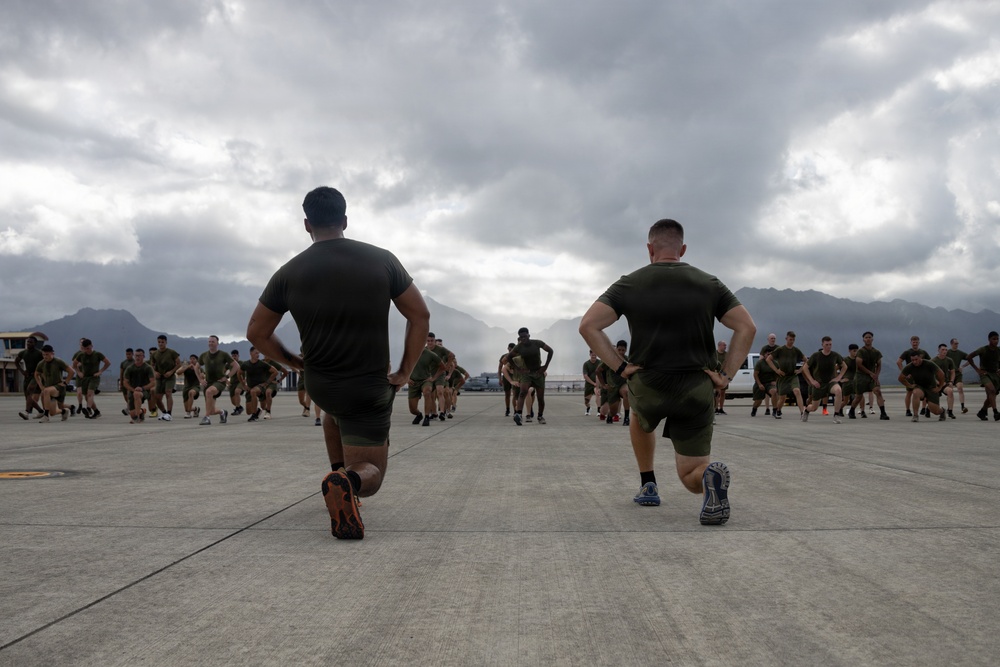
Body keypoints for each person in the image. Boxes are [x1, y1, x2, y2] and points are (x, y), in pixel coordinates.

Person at [247, 186, 430, 540]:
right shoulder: (383, 260)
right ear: (345, 220)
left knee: (334, 413)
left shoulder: (288, 272)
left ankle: (338, 475)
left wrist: (294, 362)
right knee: (372, 472)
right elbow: (420, 315)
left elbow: (256, 332)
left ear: (306, 225)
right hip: (368, 388)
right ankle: (350, 481)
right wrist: (405, 371)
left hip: (322, 386)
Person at [579, 218, 755, 525]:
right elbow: (746, 327)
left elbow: (589, 326)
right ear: (682, 249)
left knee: (638, 417)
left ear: (650, 249)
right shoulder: (709, 283)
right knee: (689, 472)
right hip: (695, 388)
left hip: (649, 384)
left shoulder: (629, 283)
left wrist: (621, 366)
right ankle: (706, 478)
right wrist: (724, 376)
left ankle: (648, 483)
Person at [509, 327, 553, 425]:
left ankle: (540, 416)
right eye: (521, 337)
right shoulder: (519, 347)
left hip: (538, 373)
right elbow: (509, 357)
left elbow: (550, 351)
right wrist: (518, 369)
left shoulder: (537, 343)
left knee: (540, 398)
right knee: (523, 392)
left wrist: (545, 366)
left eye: (525, 336)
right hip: (527, 373)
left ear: (529, 335)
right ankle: (519, 415)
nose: (523, 339)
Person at [801, 337, 846, 423]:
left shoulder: (835, 355)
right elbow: (805, 368)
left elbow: (844, 366)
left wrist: (839, 377)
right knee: (814, 407)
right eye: (826, 345)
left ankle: (836, 415)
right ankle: (806, 411)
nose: (829, 346)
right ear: (822, 345)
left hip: (830, 382)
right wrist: (812, 380)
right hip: (819, 384)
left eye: (830, 344)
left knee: (838, 391)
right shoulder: (816, 356)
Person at [196, 335, 238, 425]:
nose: (210, 343)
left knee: (209, 392)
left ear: (217, 343)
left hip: (219, 382)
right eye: (209, 342)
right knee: (211, 410)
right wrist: (200, 380)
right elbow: (196, 367)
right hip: (207, 383)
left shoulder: (223, 354)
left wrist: (227, 377)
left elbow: (236, 366)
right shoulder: (204, 355)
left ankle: (206, 418)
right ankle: (222, 412)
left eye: (213, 342)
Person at [767, 332, 807, 419]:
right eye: (790, 339)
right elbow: (768, 359)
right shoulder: (780, 349)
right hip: (783, 376)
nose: (791, 341)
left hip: (793, 375)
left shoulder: (796, 350)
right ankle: (777, 410)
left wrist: (800, 370)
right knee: (782, 398)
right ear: (786, 339)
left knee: (797, 391)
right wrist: (776, 370)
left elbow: (806, 360)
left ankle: (802, 413)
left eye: (793, 340)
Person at [898, 351, 946, 422]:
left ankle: (942, 411)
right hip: (919, 387)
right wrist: (909, 385)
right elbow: (901, 378)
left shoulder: (929, 364)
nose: (914, 362)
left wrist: (940, 387)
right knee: (915, 392)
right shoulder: (910, 366)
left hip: (931, 387)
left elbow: (941, 374)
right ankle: (915, 415)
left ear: (920, 357)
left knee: (935, 410)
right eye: (912, 360)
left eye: (916, 359)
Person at [852, 331, 889, 420]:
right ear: (863, 340)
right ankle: (851, 411)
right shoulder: (861, 351)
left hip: (872, 377)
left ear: (872, 339)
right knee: (858, 397)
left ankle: (883, 413)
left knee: (878, 392)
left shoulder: (876, 352)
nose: (868, 339)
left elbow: (879, 364)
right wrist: (871, 373)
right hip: (861, 377)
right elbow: (859, 365)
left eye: (869, 337)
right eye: (866, 337)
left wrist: (876, 375)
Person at [33, 344, 75, 422]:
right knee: (53, 412)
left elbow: (71, 372)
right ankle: (64, 411)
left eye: (47, 354)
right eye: (43, 355)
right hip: (49, 389)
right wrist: (40, 385)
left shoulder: (58, 361)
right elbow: (36, 374)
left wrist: (66, 383)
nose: (45, 356)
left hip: (59, 387)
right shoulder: (41, 363)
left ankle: (45, 416)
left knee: (46, 391)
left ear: (52, 353)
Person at [72, 338, 111, 419]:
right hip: (85, 378)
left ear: (92, 346)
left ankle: (88, 409)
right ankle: (96, 412)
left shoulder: (97, 354)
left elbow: (107, 363)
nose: (88, 350)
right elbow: (74, 364)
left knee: (90, 393)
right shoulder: (81, 355)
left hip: (94, 377)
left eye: (89, 348)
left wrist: (100, 371)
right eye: (86, 349)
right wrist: (78, 372)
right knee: (87, 397)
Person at [965, 331, 1000, 421]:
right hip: (985, 374)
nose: (996, 341)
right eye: (994, 339)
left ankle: (982, 412)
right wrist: (977, 369)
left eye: (997, 339)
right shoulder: (983, 349)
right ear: (989, 340)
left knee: (991, 396)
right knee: (992, 390)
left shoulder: (998, 350)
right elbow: (969, 357)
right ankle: (996, 412)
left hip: (995, 375)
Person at [896, 336, 930, 417]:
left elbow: (930, 362)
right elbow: (899, 362)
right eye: (913, 342)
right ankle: (908, 410)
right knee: (909, 392)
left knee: (924, 392)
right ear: (911, 343)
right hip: (911, 376)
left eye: (916, 342)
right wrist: (904, 372)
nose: (915, 343)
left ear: (919, 342)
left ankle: (923, 408)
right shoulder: (907, 352)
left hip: (922, 375)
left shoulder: (923, 352)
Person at [150, 335, 182, 421]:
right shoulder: (155, 354)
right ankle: (164, 412)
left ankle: (169, 413)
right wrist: (155, 372)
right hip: (159, 377)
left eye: (162, 342)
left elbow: (179, 363)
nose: (161, 344)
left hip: (170, 377)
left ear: (166, 342)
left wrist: (171, 371)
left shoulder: (172, 352)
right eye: (159, 342)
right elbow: (152, 365)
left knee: (168, 392)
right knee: (157, 397)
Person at [122, 347, 156, 424]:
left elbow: (153, 382)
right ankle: (141, 412)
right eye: (136, 355)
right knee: (132, 413)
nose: (137, 357)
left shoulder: (148, 368)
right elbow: (125, 383)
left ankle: (137, 418)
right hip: (133, 391)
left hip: (144, 391)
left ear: (143, 356)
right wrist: (133, 389)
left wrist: (142, 388)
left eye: (139, 355)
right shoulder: (130, 368)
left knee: (137, 394)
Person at [15, 336, 45, 420]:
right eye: (28, 342)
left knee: (29, 389)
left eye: (31, 342)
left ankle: (27, 412)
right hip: (27, 375)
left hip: (36, 375)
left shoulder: (39, 353)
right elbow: (16, 362)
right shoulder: (23, 353)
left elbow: (45, 363)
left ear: (35, 343)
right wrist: (22, 371)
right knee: (28, 397)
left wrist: (41, 373)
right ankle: (41, 411)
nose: (28, 344)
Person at [931, 343, 957, 419]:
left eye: (946, 350)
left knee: (950, 391)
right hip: (935, 383)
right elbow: (929, 373)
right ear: (938, 350)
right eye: (942, 350)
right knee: (932, 399)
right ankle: (928, 409)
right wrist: (936, 381)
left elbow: (952, 371)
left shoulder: (949, 360)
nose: (944, 351)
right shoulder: (933, 361)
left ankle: (950, 411)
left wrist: (951, 381)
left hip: (945, 383)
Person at [947, 338, 969, 413]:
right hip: (949, 374)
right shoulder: (947, 352)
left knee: (960, 388)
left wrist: (962, 366)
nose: (957, 345)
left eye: (957, 343)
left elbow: (970, 358)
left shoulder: (960, 353)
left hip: (958, 373)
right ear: (951, 344)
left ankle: (963, 407)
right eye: (955, 343)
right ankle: (949, 408)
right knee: (950, 391)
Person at [178, 355, 202, 419]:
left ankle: (188, 413)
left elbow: (202, 377)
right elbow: (178, 372)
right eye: (191, 359)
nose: (192, 360)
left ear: (197, 360)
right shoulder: (185, 367)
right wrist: (187, 367)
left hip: (195, 387)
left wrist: (195, 368)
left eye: (194, 359)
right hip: (186, 387)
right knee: (187, 408)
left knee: (191, 393)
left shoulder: (199, 367)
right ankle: (195, 409)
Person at [498, 344, 516, 417]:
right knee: (507, 394)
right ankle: (507, 409)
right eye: (509, 349)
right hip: (506, 376)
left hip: (515, 376)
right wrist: (500, 379)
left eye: (511, 349)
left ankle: (516, 410)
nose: (510, 350)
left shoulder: (516, 356)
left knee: (515, 394)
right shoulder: (504, 356)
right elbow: (499, 368)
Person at [582, 350, 601, 416]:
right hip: (589, 384)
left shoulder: (600, 363)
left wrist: (597, 384)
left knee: (597, 394)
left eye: (595, 355)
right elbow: (585, 376)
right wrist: (593, 383)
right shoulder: (586, 364)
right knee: (586, 401)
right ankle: (588, 408)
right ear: (590, 355)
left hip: (598, 383)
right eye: (592, 355)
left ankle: (599, 410)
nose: (594, 356)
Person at [714, 341, 728, 415]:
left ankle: (721, 408)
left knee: (723, 392)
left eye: (725, 345)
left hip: (724, 375)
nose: (725, 347)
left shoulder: (727, 354)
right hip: (717, 375)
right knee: (717, 392)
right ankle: (715, 408)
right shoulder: (714, 354)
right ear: (719, 346)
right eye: (724, 345)